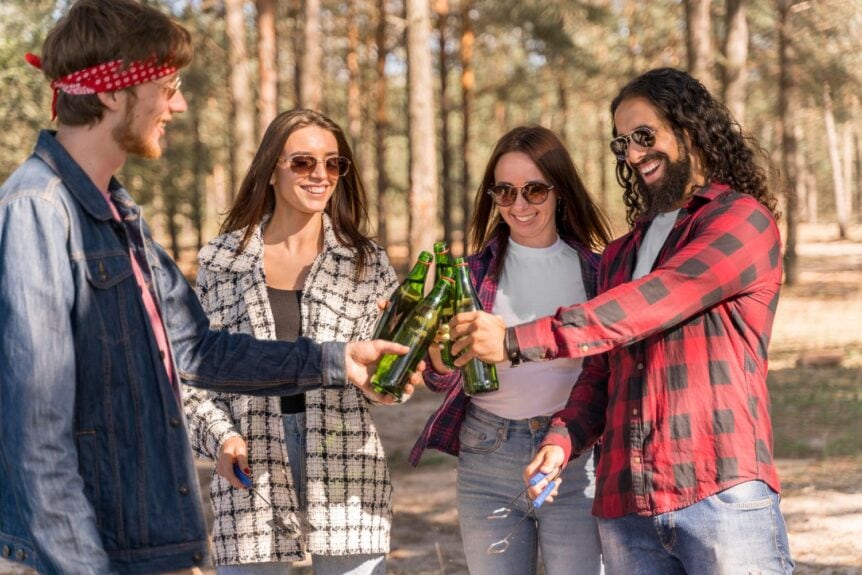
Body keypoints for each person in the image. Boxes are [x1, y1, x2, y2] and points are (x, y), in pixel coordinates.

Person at [0, 2, 417, 574]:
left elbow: (198, 350)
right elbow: (35, 434)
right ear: (115, 93)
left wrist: (338, 360)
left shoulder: (122, 217)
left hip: (144, 540)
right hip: (93, 551)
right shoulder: (38, 211)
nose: (179, 104)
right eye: (167, 86)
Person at [452, 68, 793, 574]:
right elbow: (601, 371)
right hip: (625, 506)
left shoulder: (740, 221)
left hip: (718, 490)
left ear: (690, 127)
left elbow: (657, 299)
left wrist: (515, 340)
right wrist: (561, 439)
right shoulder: (622, 252)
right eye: (622, 144)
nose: (633, 154)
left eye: (644, 136)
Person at [183, 109, 397, 575]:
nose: (320, 175)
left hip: (347, 466)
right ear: (272, 169)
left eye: (333, 163)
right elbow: (193, 372)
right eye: (303, 162)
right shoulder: (222, 261)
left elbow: (391, 370)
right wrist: (221, 438)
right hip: (250, 463)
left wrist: (392, 381)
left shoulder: (366, 262)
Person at [410, 126, 613, 575]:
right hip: (487, 453)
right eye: (505, 191)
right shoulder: (469, 272)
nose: (519, 206)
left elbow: (607, 370)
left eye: (534, 190)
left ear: (560, 191)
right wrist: (441, 359)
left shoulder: (596, 272)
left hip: (572, 456)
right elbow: (440, 377)